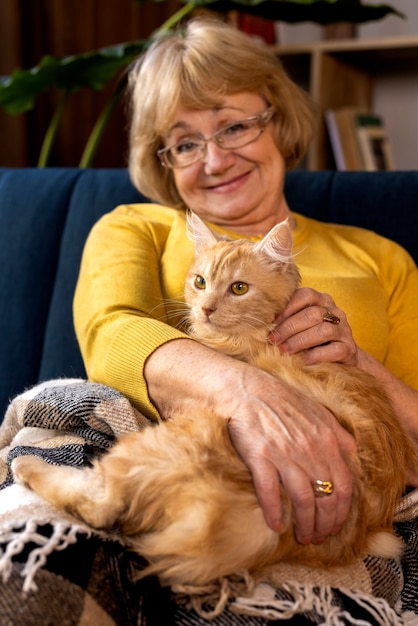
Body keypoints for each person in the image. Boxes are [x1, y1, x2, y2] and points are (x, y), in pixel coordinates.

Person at [4, 16, 414, 626]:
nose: (215, 158)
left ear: (276, 121)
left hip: (335, 500)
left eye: (234, 125)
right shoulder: (135, 226)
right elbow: (112, 334)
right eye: (185, 142)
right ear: (163, 159)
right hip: (156, 452)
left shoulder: (378, 257)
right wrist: (245, 393)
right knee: (64, 404)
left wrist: (357, 366)